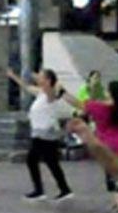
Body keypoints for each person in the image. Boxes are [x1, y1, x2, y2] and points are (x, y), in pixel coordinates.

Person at [66, 67, 118, 213]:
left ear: (109, 92)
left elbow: (77, 103)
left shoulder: (99, 108)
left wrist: (62, 93)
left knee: (113, 175)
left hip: (106, 146)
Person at [7, 68, 76, 201]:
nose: (39, 79)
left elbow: (51, 89)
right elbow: (26, 87)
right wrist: (13, 76)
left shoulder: (50, 95)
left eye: (42, 77)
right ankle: (64, 189)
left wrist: (36, 76)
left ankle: (40, 191)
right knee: (51, 163)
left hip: (45, 134)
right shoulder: (41, 94)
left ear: (48, 81)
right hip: (41, 134)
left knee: (32, 160)